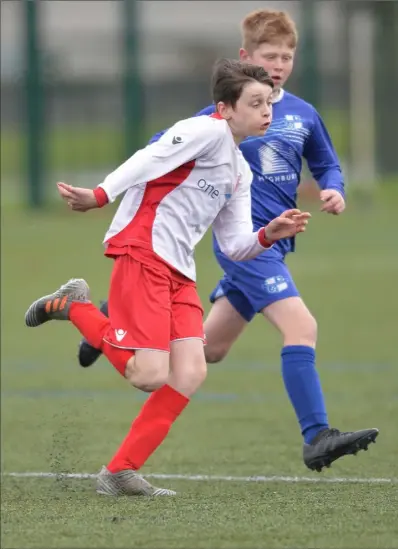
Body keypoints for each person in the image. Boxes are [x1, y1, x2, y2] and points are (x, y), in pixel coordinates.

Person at [77, 10, 379, 472]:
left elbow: (325, 162)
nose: (279, 65)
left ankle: (111, 323)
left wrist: (332, 188)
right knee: (302, 328)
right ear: (247, 59)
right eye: (269, 56)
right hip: (218, 249)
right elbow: (159, 150)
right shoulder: (216, 121)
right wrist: (105, 193)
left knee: (206, 353)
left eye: (287, 57)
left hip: (261, 244)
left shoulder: (299, 115)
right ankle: (317, 435)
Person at [25, 59, 311, 497]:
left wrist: (267, 235)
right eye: (255, 102)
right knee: (149, 375)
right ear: (225, 108)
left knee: (192, 372)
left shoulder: (240, 169)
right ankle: (75, 306)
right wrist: (101, 194)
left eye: (269, 102)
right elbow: (149, 157)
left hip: (179, 270)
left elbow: (235, 245)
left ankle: (119, 471)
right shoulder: (205, 131)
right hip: (143, 249)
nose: (266, 111)